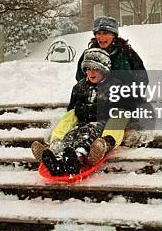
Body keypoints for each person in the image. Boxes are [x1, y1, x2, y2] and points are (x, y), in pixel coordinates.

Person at [31, 48, 132, 176]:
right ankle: (56, 154)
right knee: (72, 133)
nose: (91, 72)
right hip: (82, 121)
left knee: (89, 136)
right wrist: (76, 116)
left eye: (95, 69)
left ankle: (90, 153)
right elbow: (72, 108)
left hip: (103, 125)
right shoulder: (79, 87)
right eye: (88, 69)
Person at [75, 16, 148, 88]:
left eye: (105, 33)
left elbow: (142, 79)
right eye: (98, 33)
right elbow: (80, 77)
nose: (101, 37)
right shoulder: (89, 54)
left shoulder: (127, 53)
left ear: (113, 35)